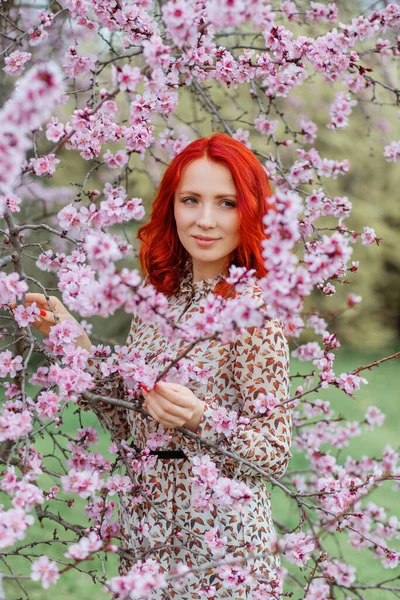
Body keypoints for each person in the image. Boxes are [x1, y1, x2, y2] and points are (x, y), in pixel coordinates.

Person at [16, 133, 292, 599]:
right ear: (172, 206)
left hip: (220, 552)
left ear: (250, 212)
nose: (205, 220)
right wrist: (74, 342)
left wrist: (202, 418)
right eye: (191, 200)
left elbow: (276, 455)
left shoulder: (253, 314)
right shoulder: (159, 299)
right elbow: (128, 425)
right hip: (146, 534)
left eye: (226, 203)